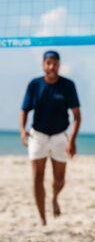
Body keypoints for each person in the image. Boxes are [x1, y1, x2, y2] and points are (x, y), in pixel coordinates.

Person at [19, 50, 81, 226]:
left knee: (59, 180)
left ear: (59, 65)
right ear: (43, 64)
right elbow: (24, 109)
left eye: (54, 63)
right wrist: (22, 130)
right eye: (48, 63)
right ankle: (43, 219)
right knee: (38, 177)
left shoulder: (68, 85)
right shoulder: (35, 85)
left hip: (60, 136)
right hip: (38, 136)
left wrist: (72, 140)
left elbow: (77, 116)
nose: (51, 66)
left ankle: (54, 198)